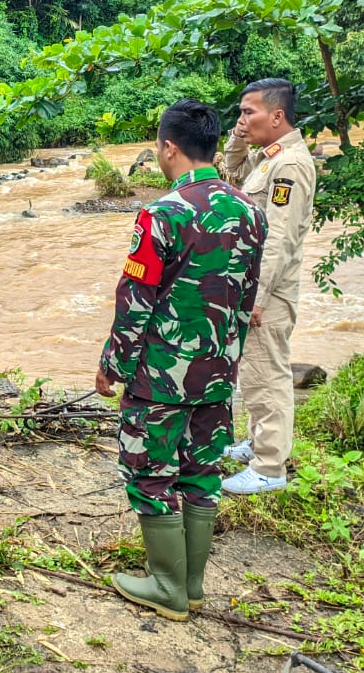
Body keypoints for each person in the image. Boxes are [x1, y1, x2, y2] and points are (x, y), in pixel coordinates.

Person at [95, 99, 267, 620]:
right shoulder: (251, 214)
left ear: (169, 147)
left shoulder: (161, 214)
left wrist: (114, 364)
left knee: (148, 471)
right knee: (201, 472)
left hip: (160, 377)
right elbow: (244, 300)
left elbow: (136, 299)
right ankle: (191, 585)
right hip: (217, 373)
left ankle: (166, 586)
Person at [220, 78, 318, 496]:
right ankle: (260, 445)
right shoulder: (270, 158)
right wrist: (237, 138)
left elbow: (279, 238)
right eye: (240, 112)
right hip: (255, 285)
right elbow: (233, 173)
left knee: (267, 374)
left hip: (269, 291)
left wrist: (256, 297)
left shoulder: (290, 166)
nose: (242, 119)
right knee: (254, 372)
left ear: (277, 116)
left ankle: (269, 467)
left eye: (249, 112)